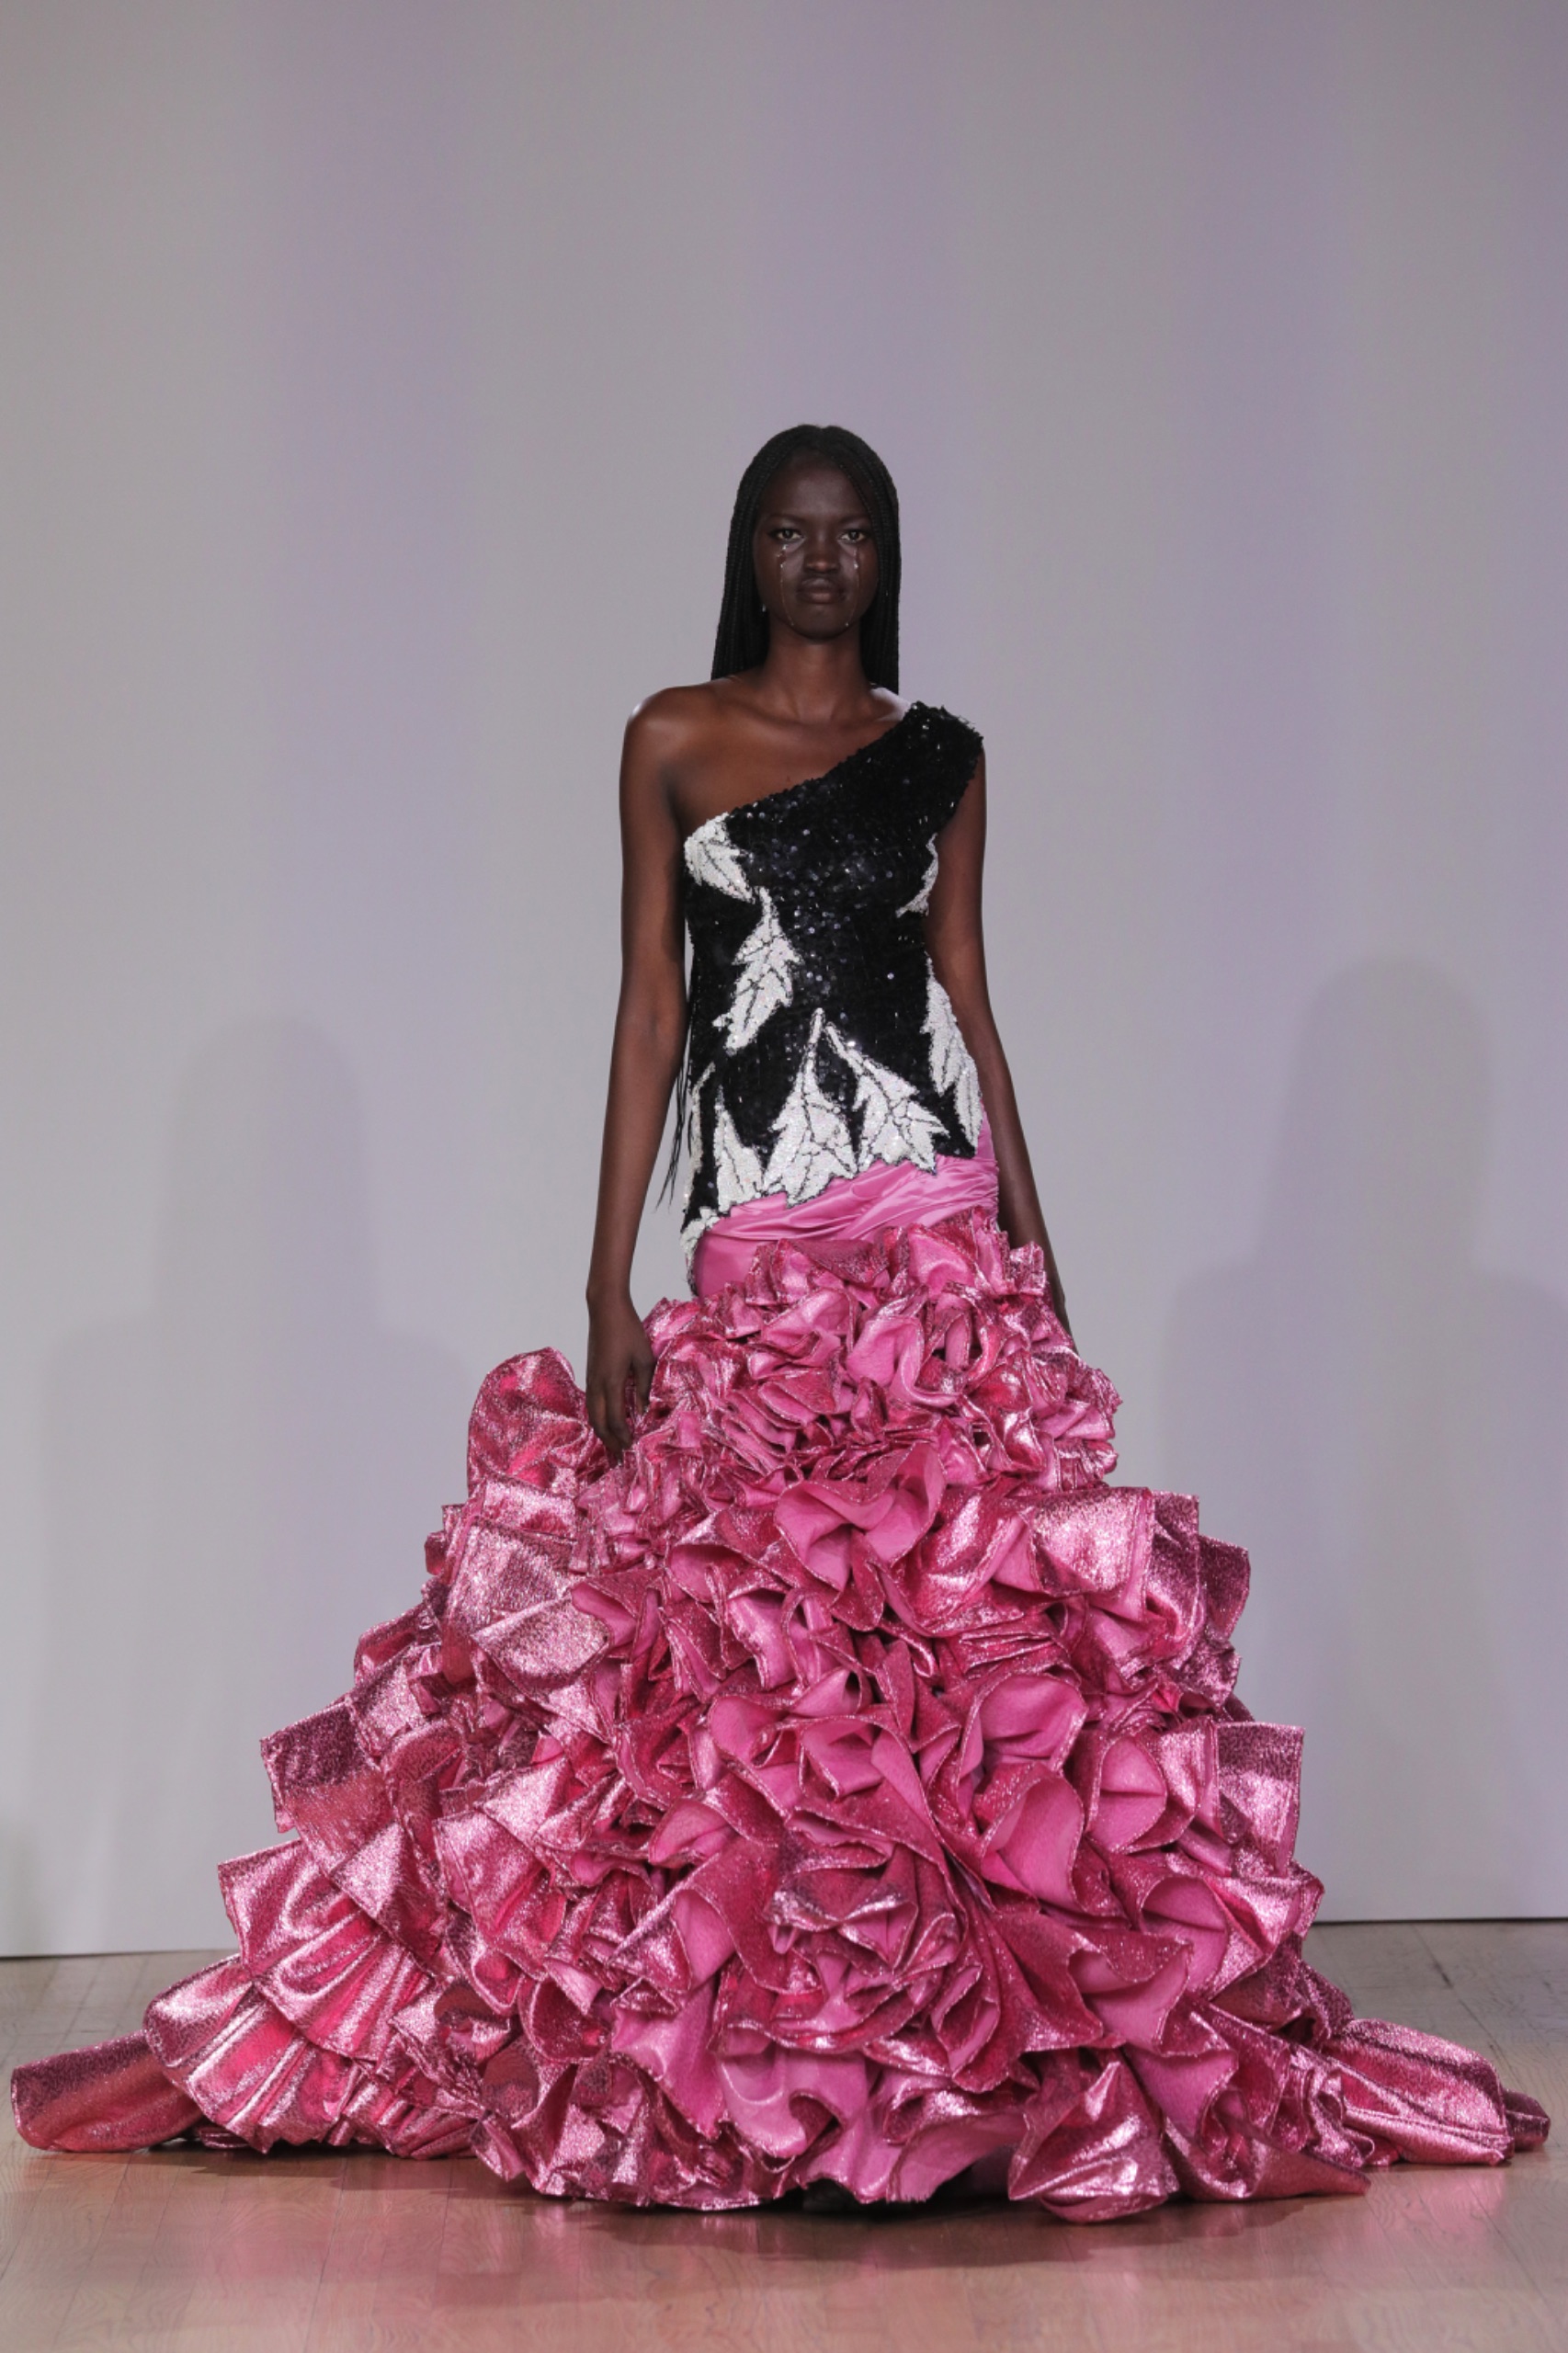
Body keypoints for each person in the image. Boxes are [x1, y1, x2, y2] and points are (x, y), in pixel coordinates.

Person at [12, 426, 1547, 2218]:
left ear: (885, 555)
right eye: (788, 532)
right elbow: (649, 1009)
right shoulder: (671, 736)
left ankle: (952, 2056)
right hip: (751, 1224)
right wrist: (607, 1273)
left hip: (934, 1219)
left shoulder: (944, 754)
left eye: (850, 534)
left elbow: (964, 990)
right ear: (748, 551)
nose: (820, 560)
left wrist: (1032, 1250)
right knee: (756, 1621)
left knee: (959, 1625)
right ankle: (770, 2047)